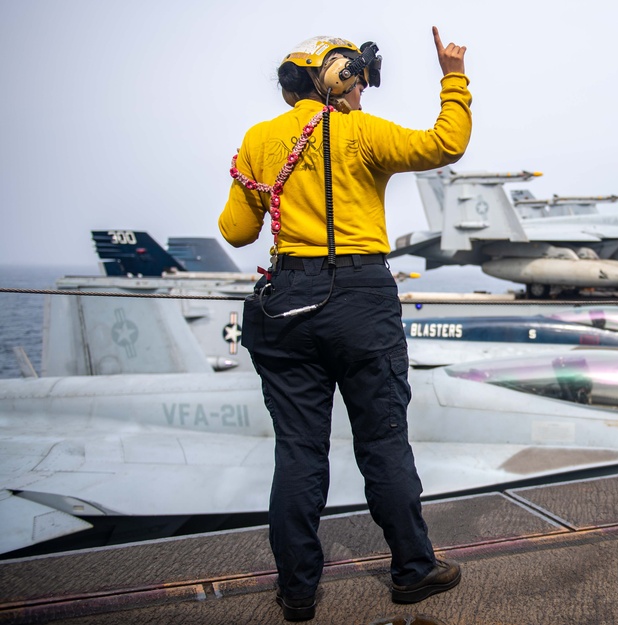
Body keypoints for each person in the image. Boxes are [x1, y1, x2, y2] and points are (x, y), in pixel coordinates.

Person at [218, 27, 471, 621]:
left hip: (285, 301)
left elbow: (235, 231)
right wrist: (453, 75)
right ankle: (412, 570)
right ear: (336, 77)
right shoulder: (358, 131)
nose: (362, 89)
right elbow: (446, 143)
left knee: (299, 449)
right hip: (360, 299)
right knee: (382, 440)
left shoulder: (260, 140)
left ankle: (298, 591)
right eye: (356, 78)